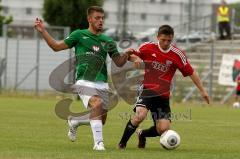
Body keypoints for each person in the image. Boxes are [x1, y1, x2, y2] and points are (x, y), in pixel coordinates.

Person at [34, 6, 135, 151]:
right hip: (84, 81)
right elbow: (56, 47)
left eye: (102, 18)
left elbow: (119, 62)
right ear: (89, 19)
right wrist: (43, 31)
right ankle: (98, 144)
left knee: (101, 119)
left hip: (102, 83)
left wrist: (126, 54)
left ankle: (75, 121)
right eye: (97, 18)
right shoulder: (79, 35)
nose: (100, 21)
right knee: (97, 104)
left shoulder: (108, 41)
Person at [118, 25, 210, 149]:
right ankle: (122, 144)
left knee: (163, 129)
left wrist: (203, 91)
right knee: (140, 115)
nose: (166, 43)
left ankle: (142, 134)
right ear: (158, 37)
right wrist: (133, 56)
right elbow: (132, 56)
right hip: (147, 89)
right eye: (163, 40)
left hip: (163, 95)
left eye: (169, 40)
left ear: (172, 39)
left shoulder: (177, 54)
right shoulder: (147, 47)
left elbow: (191, 72)